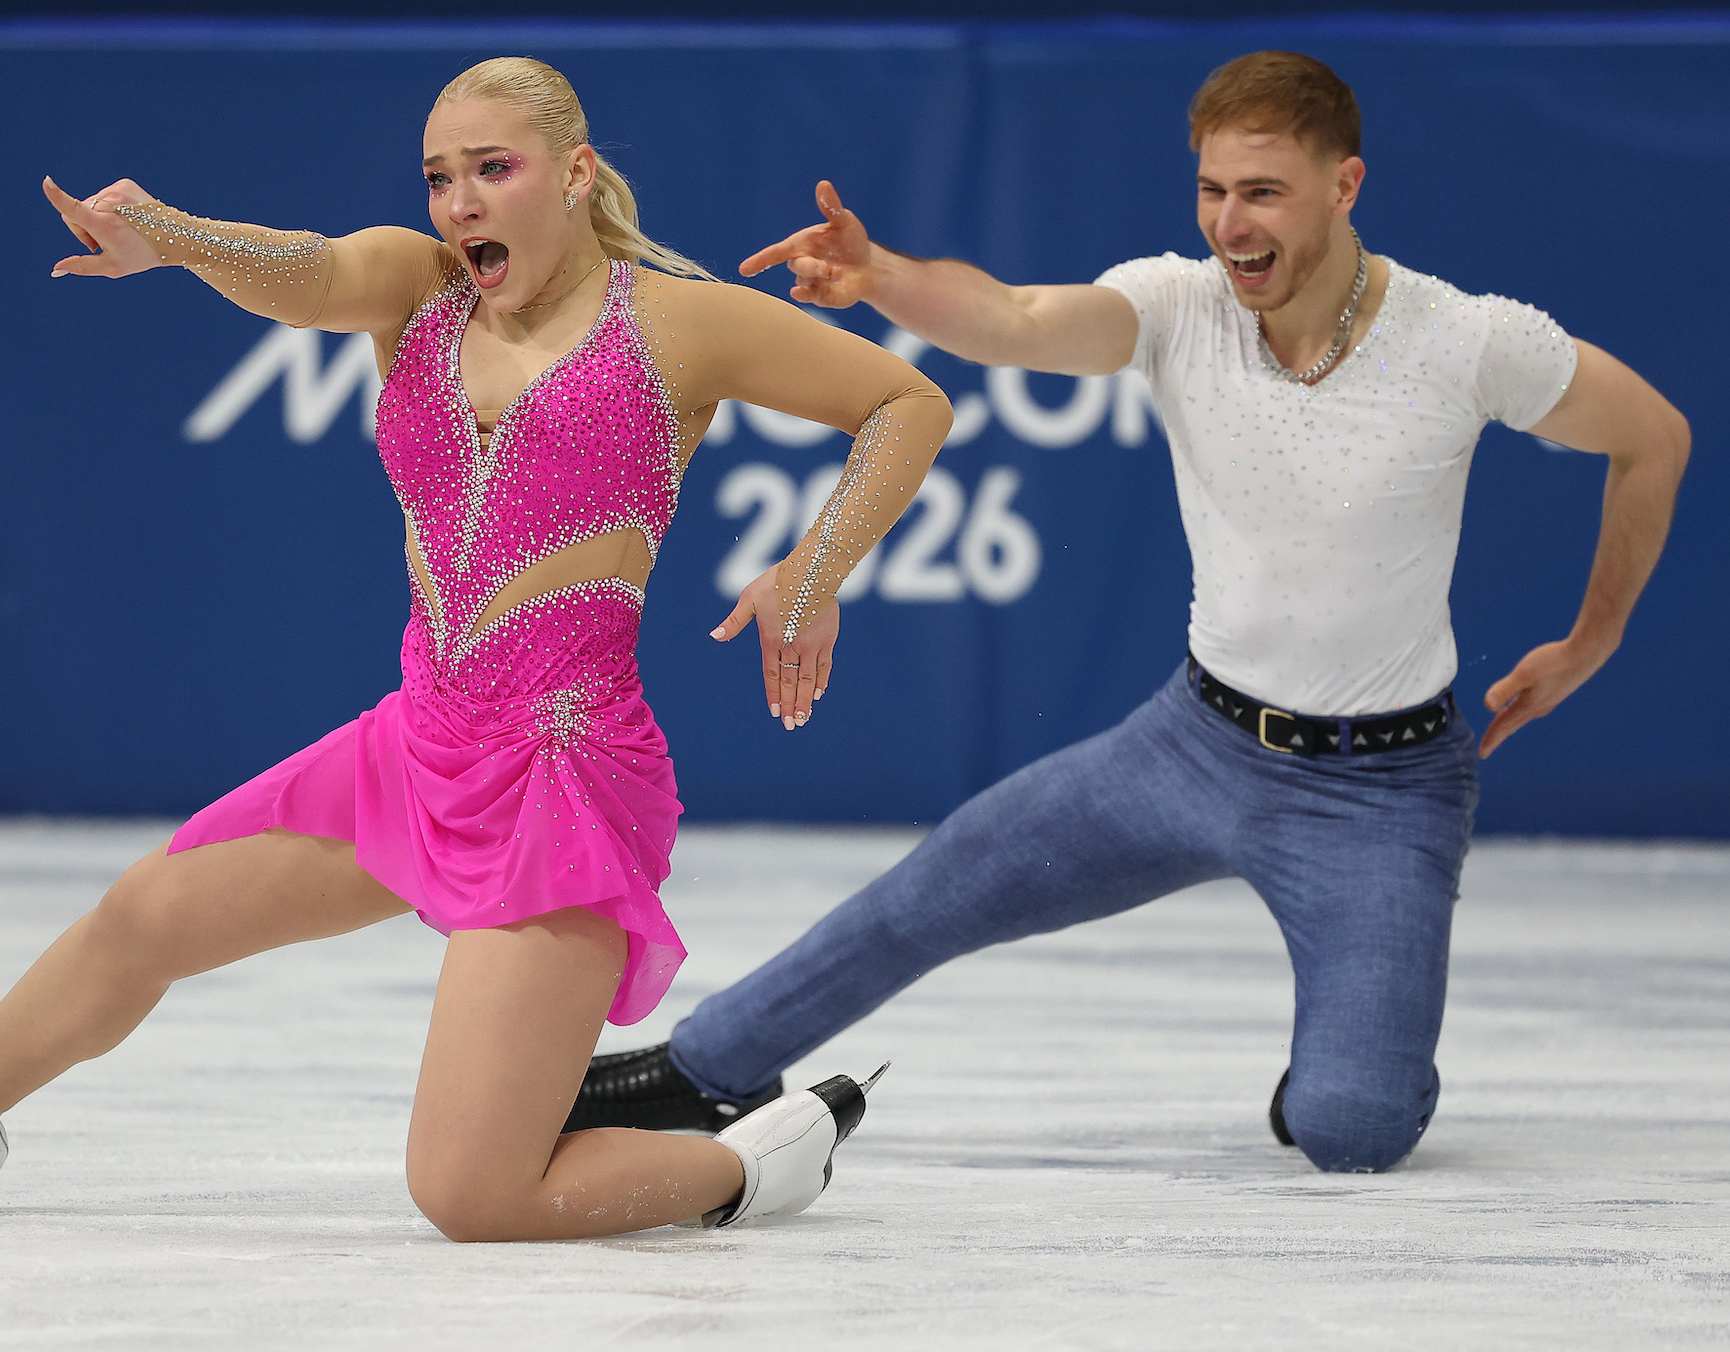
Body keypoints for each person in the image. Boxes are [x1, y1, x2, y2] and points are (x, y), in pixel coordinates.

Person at [0, 56, 948, 1236]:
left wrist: (815, 567)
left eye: (493, 168)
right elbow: (307, 271)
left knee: (472, 1192)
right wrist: (168, 232)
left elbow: (908, 402)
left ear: (576, 174)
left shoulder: (677, 326)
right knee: (148, 911)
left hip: (559, 775)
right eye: (440, 176)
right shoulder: (417, 288)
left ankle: (745, 1169)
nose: (461, 201)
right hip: (421, 742)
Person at [567, 51, 1690, 1173]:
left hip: (1383, 791)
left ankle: (1349, 1059)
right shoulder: (1178, 305)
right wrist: (885, 278)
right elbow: (1011, 316)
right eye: (1210, 191)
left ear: (1345, 187)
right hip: (1191, 746)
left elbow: (1655, 438)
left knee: (1354, 1128)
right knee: (935, 888)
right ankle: (710, 1064)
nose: (1228, 225)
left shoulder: (1465, 339)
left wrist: (1594, 640)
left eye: (1262, 193)